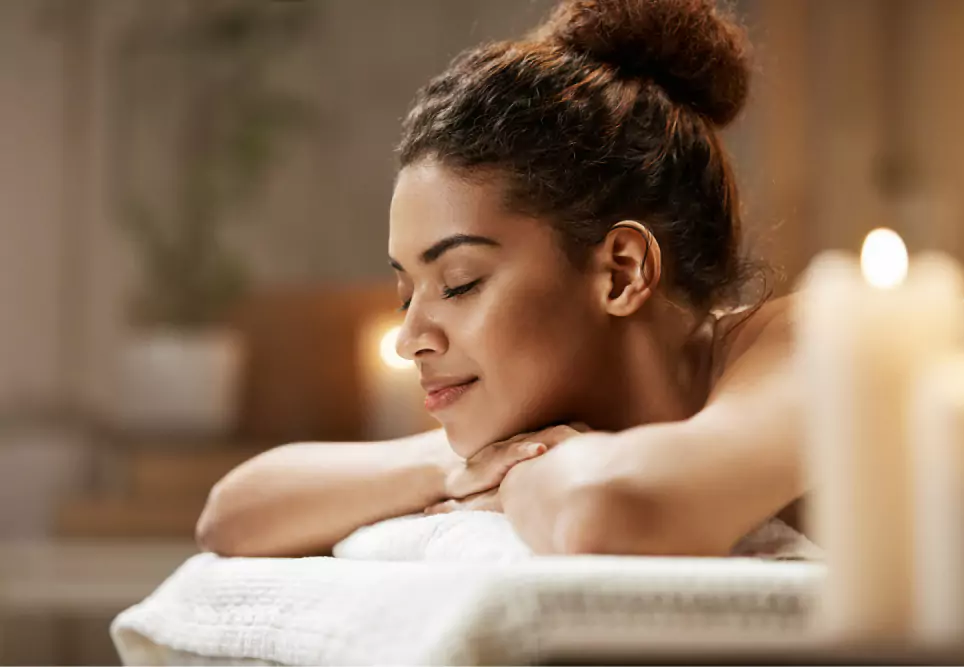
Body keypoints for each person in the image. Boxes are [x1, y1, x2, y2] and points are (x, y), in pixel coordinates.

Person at [196, 0, 807, 558]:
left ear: (621, 272)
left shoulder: (814, 342)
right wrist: (452, 473)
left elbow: (613, 513)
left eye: (459, 282)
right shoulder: (538, 426)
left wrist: (522, 473)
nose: (411, 338)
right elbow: (231, 512)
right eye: (407, 291)